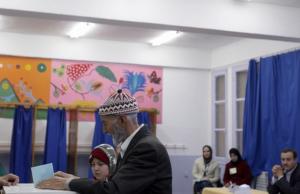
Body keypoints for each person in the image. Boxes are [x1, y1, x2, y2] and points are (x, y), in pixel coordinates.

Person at [37, 89, 172, 194]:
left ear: (122, 120)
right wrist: (75, 180)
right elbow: (113, 184)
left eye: (105, 123)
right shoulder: (136, 144)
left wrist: (69, 183)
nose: (105, 130)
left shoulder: (146, 148)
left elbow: (113, 190)